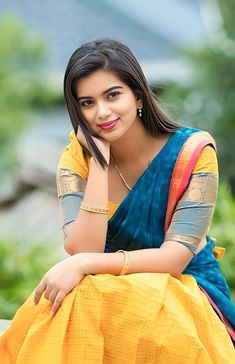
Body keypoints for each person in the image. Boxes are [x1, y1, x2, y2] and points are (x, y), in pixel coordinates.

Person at [0, 38, 234, 363]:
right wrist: (99, 162)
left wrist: (83, 265)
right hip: (107, 292)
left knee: (86, 292)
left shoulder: (192, 153)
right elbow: (86, 248)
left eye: (113, 95)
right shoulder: (76, 160)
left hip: (183, 288)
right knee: (77, 300)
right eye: (87, 102)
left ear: (137, 95)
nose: (102, 112)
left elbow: (174, 259)